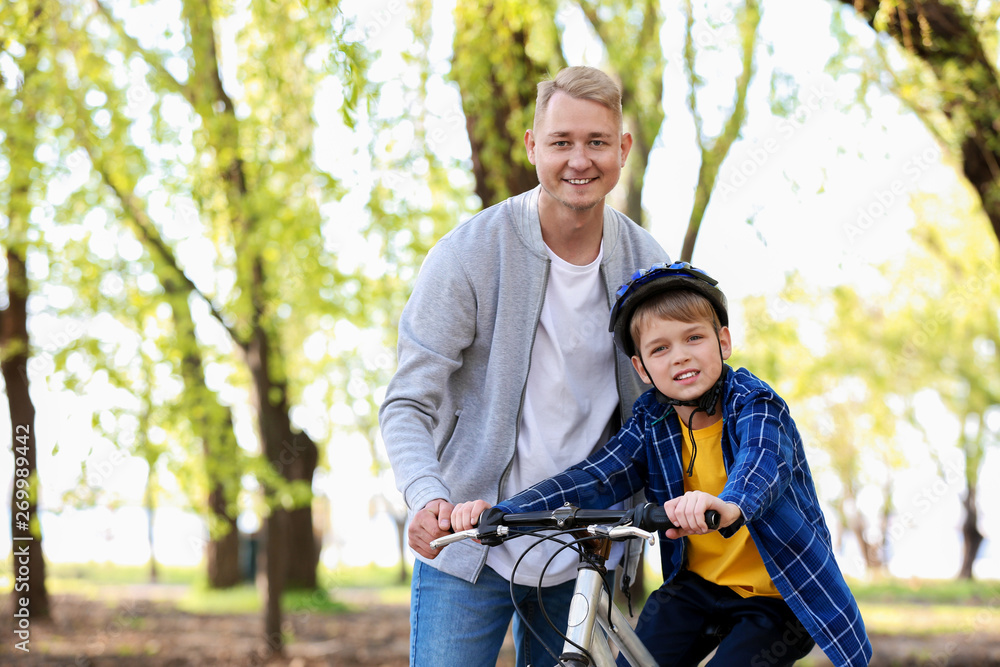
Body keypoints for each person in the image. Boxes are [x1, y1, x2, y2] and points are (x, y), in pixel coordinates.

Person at [378, 65, 669, 667]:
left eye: (596, 142)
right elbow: (409, 402)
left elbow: (671, 408)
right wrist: (427, 493)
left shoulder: (647, 264)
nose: (579, 160)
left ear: (623, 148)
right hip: (470, 539)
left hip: (584, 549)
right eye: (561, 142)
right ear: (533, 146)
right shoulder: (469, 255)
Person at [450, 262, 873, 667]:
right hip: (698, 589)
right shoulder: (652, 418)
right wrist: (506, 512)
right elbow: (598, 476)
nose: (680, 357)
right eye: (660, 348)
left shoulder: (754, 403)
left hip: (780, 595)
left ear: (723, 342)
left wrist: (729, 504)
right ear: (642, 368)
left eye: (694, 338)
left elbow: (762, 461)